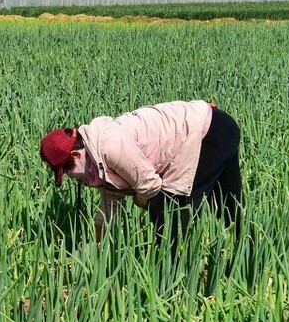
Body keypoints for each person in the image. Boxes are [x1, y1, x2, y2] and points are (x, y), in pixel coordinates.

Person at [39, 100, 241, 243]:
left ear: (76, 155)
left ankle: (172, 276)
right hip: (216, 126)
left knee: (167, 209)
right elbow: (109, 205)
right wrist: (96, 246)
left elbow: (149, 185)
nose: (74, 179)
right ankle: (248, 249)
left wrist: (139, 200)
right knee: (231, 204)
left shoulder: (110, 146)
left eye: (67, 171)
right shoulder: (97, 155)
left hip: (209, 133)